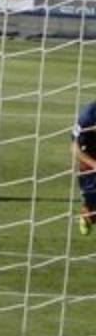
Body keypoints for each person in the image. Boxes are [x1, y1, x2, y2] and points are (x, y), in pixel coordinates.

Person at [72, 99, 96, 236]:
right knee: (91, 213)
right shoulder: (88, 115)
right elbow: (74, 148)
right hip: (90, 162)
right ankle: (86, 215)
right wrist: (94, 165)